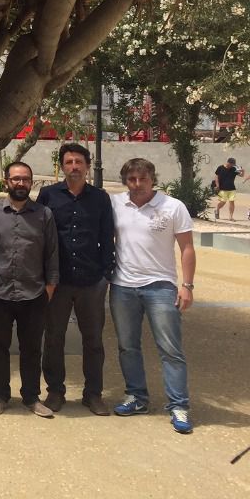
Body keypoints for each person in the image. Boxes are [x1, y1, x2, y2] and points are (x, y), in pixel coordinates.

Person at [110, 158, 196, 434]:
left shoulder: (173, 207)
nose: (137, 185)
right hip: (122, 286)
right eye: (131, 179)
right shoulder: (115, 204)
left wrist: (187, 286)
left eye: (143, 179)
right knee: (127, 346)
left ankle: (178, 405)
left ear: (152, 179)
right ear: (126, 181)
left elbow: (187, 247)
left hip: (161, 286)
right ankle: (137, 397)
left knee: (170, 350)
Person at [37, 143, 115, 416]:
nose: (74, 167)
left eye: (79, 162)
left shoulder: (100, 198)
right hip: (57, 281)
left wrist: (106, 273)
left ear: (87, 166)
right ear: (62, 166)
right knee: (54, 338)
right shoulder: (48, 195)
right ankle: (55, 391)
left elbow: (107, 236)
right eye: (69, 162)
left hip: (91, 281)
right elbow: (39, 234)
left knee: (93, 340)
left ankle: (93, 394)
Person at [0, 161, 59, 418]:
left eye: (25, 179)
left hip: (34, 292)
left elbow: (52, 253)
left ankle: (31, 397)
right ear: (6, 181)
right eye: (16, 179)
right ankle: (0, 395)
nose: (21, 183)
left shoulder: (44, 214)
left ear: (31, 183)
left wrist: (50, 287)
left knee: (32, 348)